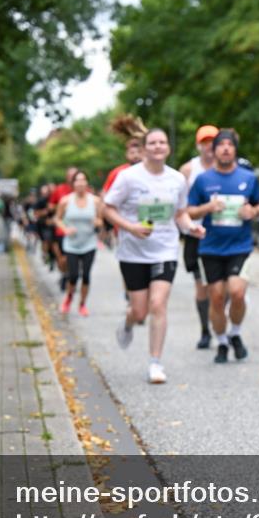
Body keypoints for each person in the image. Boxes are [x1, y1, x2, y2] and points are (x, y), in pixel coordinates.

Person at [104, 128, 206, 384]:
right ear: (145, 148)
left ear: (168, 148)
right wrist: (131, 228)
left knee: (158, 304)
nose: (158, 146)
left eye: (162, 142)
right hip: (132, 252)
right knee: (140, 312)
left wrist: (191, 228)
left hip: (165, 249)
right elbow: (107, 208)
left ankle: (155, 363)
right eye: (153, 142)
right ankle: (129, 322)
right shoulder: (128, 177)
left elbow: (180, 213)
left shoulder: (176, 180)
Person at [187, 129, 259, 364]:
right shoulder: (203, 180)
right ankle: (221, 341)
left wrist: (252, 211)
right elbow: (189, 211)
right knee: (217, 298)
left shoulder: (248, 178)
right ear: (214, 151)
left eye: (229, 145)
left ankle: (235, 334)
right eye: (220, 145)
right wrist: (207, 208)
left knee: (238, 292)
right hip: (210, 248)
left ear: (234, 149)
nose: (225, 149)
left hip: (239, 246)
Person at [180, 124, 219, 349]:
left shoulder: (227, 167)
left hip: (222, 233)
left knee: (220, 287)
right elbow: (181, 205)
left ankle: (219, 322)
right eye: (204, 142)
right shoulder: (188, 170)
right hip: (197, 234)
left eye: (212, 141)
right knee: (201, 286)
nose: (209, 147)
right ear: (198, 145)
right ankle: (205, 330)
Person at [56, 171, 104, 316]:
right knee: (73, 275)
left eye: (83, 180)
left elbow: (101, 220)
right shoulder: (65, 201)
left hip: (89, 243)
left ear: (87, 183)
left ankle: (82, 304)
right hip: (71, 244)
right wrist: (65, 229)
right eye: (77, 180)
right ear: (73, 184)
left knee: (86, 276)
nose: (81, 183)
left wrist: (98, 222)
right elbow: (57, 219)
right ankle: (68, 299)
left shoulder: (95, 201)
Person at [48, 168, 76, 286]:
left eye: (74, 175)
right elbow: (50, 206)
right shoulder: (59, 189)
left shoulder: (83, 189)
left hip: (78, 229)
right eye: (70, 175)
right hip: (62, 229)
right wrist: (61, 207)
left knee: (75, 257)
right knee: (63, 258)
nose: (72, 178)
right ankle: (65, 274)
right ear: (66, 177)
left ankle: (72, 275)